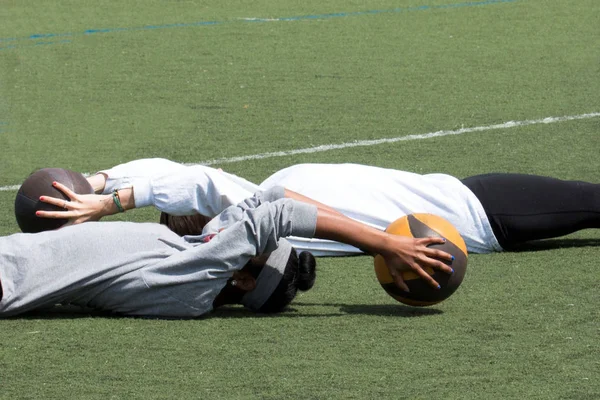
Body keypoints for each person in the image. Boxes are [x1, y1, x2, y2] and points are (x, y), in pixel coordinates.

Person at [1, 182, 454, 318]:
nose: (233, 228)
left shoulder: (194, 280)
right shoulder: (190, 253)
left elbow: (278, 216)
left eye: (249, 247)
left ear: (240, 277)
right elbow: (274, 198)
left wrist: (383, 242)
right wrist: (379, 236)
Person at [35, 158, 600, 255]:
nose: (178, 215)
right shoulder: (263, 217)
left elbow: (186, 176)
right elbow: (196, 183)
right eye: (177, 220)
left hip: (468, 196)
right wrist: (115, 201)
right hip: (482, 220)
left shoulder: (262, 191)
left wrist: (100, 185)